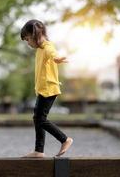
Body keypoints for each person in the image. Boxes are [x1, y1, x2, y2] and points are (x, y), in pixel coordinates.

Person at [20, 19, 73, 158]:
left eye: (27, 39)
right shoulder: (40, 49)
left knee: (40, 119)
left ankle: (65, 139)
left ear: (34, 34)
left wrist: (57, 58)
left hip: (49, 89)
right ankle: (39, 150)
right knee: (37, 118)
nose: (27, 43)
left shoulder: (47, 46)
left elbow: (52, 53)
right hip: (44, 89)